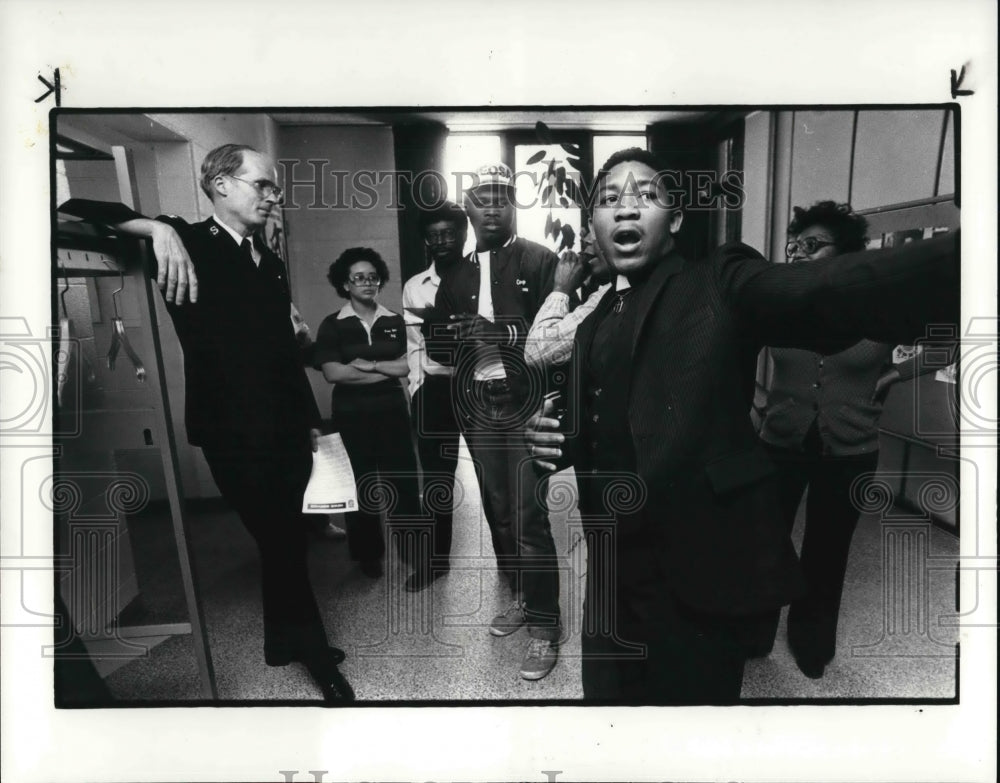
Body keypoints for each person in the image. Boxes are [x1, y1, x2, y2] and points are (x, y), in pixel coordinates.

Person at [525, 148, 959, 704]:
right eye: (609, 199)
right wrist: (560, 441)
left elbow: (823, 291)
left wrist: (964, 262)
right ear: (594, 225)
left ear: (676, 221)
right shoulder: (593, 323)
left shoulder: (719, 280)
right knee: (608, 717)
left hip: (697, 578)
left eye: (646, 196)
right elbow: (604, 417)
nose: (625, 208)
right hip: (610, 578)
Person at [58, 144, 354, 702]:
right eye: (262, 185)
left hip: (285, 426)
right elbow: (73, 207)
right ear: (220, 184)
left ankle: (278, 642)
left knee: (283, 536)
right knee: (283, 538)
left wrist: (312, 422)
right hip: (230, 430)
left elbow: (283, 355)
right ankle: (316, 655)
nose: (274, 195)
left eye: (274, 186)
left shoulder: (270, 261)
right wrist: (156, 229)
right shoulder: (185, 240)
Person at [755, 201, 956, 678]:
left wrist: (894, 374)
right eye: (794, 245)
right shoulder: (778, 304)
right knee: (764, 542)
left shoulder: (879, 310)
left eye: (812, 245)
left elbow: (946, 339)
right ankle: (752, 632)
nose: (798, 254)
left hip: (850, 452)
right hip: (778, 444)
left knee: (828, 549)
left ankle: (811, 640)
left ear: (845, 253)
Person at [424, 162, 563, 680]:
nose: (492, 206)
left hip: (526, 403)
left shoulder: (541, 260)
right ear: (469, 208)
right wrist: (456, 336)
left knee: (529, 517)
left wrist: (497, 330)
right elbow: (437, 342)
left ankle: (546, 628)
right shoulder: (455, 273)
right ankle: (526, 600)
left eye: (502, 197)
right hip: (479, 406)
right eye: (481, 198)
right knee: (499, 511)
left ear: (514, 205)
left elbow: (560, 338)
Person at [313, 248, 420, 581]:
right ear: (345, 284)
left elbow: (411, 363)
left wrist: (370, 366)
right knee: (360, 488)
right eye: (359, 277)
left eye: (373, 277)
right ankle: (367, 555)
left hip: (393, 414)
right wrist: (389, 371)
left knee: (402, 483)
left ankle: (414, 551)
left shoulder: (394, 321)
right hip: (351, 417)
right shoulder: (333, 325)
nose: (367, 283)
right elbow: (333, 373)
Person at [400, 202, 468, 592]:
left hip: (476, 388)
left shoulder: (477, 275)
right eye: (434, 235)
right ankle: (436, 561)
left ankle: (511, 565)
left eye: (449, 233)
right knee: (437, 481)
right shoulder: (415, 286)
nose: (442, 241)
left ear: (462, 234)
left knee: (494, 480)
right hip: (434, 391)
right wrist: (417, 388)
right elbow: (413, 346)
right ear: (426, 240)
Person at [525, 229, 613, 368]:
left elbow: (535, 351)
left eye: (595, 231)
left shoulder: (611, 295)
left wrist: (561, 289)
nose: (587, 240)